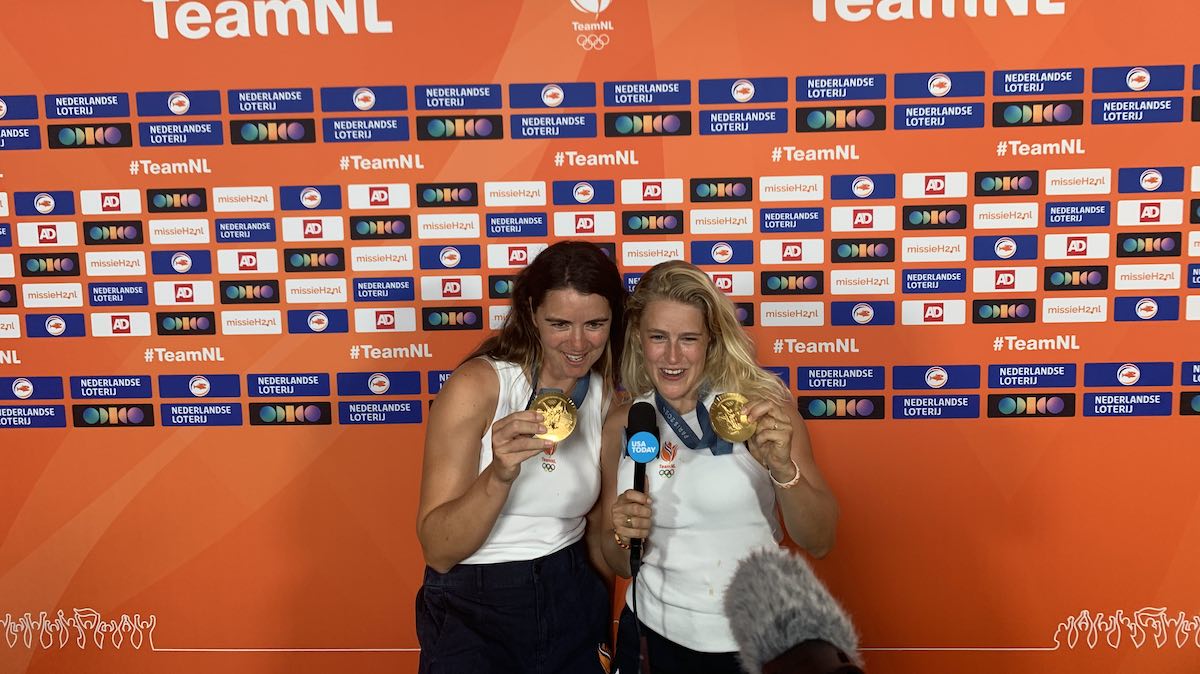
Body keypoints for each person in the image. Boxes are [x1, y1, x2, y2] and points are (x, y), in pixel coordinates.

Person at [592, 260, 839, 674]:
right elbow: (618, 563)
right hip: (653, 636)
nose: (673, 355)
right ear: (638, 338)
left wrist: (782, 469)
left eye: (689, 338)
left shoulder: (763, 413)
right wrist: (622, 535)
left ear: (712, 340)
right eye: (658, 337)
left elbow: (820, 539)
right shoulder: (624, 421)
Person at [415, 241, 626, 674]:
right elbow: (438, 550)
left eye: (595, 324)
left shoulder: (605, 394)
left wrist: (601, 622)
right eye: (560, 323)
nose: (578, 343)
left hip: (571, 592)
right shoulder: (480, 385)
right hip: (473, 604)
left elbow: (594, 535)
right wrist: (500, 474)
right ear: (531, 313)